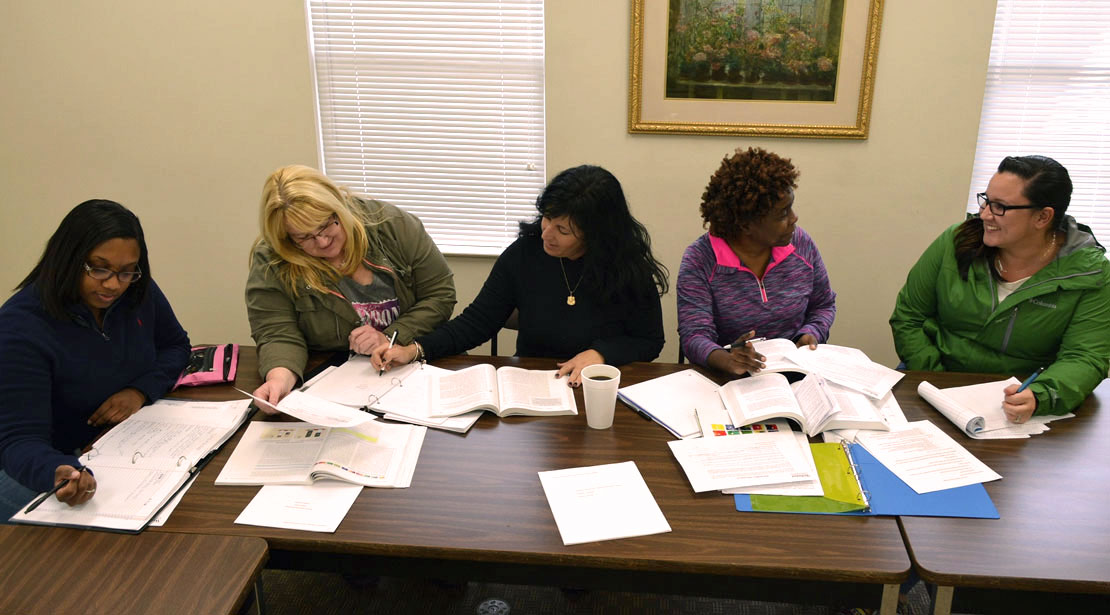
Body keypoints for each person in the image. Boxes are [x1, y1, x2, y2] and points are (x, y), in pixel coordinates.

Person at [371, 164, 668, 384]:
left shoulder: (627, 267)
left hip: (601, 386)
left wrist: (601, 354)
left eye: (562, 230)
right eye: (547, 219)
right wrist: (415, 350)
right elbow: (476, 322)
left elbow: (649, 340)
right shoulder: (525, 253)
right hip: (533, 387)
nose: (546, 234)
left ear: (596, 234)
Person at [0, 200, 190, 521]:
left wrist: (140, 391)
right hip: (46, 463)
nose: (114, 284)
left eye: (127, 270)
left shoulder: (136, 290)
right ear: (68, 260)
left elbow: (176, 346)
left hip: (117, 447)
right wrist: (59, 470)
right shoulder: (21, 327)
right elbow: (18, 441)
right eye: (98, 268)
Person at [891, 155, 1110, 420]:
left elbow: (1085, 356)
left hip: (1015, 401)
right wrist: (937, 378)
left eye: (1000, 207)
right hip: (935, 382)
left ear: (1043, 217)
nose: (984, 214)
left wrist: (1039, 395)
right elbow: (908, 316)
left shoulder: (1090, 273)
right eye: (986, 200)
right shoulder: (956, 240)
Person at [246, 165, 456, 406]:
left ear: (339, 207)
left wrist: (389, 336)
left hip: (415, 363)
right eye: (304, 237)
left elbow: (440, 295)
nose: (323, 241)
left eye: (326, 225)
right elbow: (276, 332)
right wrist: (279, 378)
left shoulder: (393, 226)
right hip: (331, 380)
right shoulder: (273, 258)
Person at [677, 147, 836, 377]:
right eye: (782, 214)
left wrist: (812, 332)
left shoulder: (801, 244)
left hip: (796, 373)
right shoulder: (700, 259)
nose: (794, 218)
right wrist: (728, 359)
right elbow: (694, 335)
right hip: (728, 380)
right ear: (746, 224)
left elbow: (823, 304)